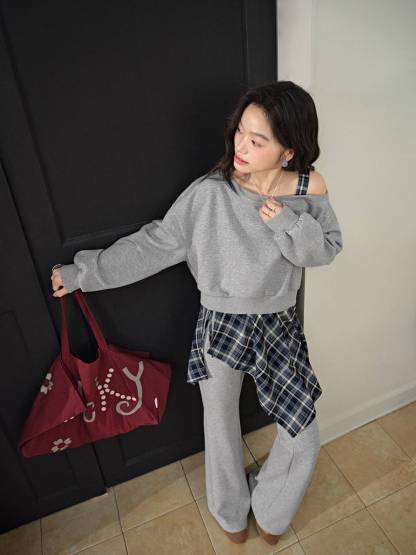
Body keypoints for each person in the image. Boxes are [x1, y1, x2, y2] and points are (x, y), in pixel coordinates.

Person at [51, 80, 343, 546]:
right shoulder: (209, 193)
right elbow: (155, 244)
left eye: (258, 140)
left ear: (288, 150)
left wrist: (287, 222)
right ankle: (230, 513)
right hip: (221, 323)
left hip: (278, 325)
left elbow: (325, 250)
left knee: (302, 433)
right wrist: (84, 273)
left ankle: (271, 514)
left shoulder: (309, 189)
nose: (240, 147)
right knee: (220, 424)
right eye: (240, 132)